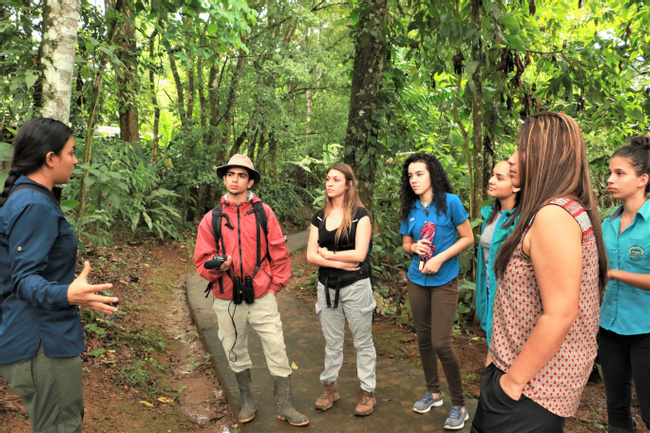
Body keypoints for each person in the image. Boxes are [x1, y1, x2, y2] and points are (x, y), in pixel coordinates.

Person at [471, 112, 608, 433]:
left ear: (548, 157)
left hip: (530, 389)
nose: (512, 159)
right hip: (519, 375)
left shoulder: (553, 216)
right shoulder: (560, 208)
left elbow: (561, 313)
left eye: (522, 149)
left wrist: (512, 382)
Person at [0, 118, 118, 433]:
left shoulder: (30, 198)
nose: (76, 160)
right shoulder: (34, 204)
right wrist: (68, 295)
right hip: (40, 343)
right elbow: (23, 281)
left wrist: (76, 295)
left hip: (40, 339)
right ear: (50, 159)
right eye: (71, 152)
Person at [193, 154, 308, 427]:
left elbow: (279, 252)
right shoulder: (212, 218)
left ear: (250, 180)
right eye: (231, 174)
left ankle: (285, 404)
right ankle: (247, 400)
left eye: (241, 175)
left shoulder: (263, 212)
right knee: (234, 349)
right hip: (227, 297)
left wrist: (274, 287)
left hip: (261, 295)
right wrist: (217, 267)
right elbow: (201, 259)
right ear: (224, 178)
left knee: (276, 347)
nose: (235, 179)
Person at [399, 152, 474, 430]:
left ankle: (459, 405)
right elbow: (406, 244)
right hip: (417, 280)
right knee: (423, 339)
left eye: (419, 174)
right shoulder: (411, 207)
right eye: (410, 176)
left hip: (445, 280)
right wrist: (414, 247)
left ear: (432, 175)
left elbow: (468, 237)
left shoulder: (451, 203)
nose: (414, 180)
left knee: (442, 342)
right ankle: (433, 393)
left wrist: (440, 258)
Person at [306, 163, 377, 416]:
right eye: (327, 179)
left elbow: (360, 254)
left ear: (348, 184)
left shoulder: (360, 215)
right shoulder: (319, 215)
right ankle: (330, 388)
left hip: (356, 287)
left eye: (336, 179)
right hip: (326, 287)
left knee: (362, 341)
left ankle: (368, 391)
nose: (329, 183)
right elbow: (311, 256)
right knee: (332, 341)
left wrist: (328, 254)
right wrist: (340, 263)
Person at [599, 135, 650, 433]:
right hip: (610, 328)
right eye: (610, 172)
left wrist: (614, 274)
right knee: (616, 407)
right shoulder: (607, 223)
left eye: (619, 173)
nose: (610, 179)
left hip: (645, 330)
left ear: (642, 179)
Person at [475, 159, 520, 346]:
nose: (491, 180)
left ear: (515, 186)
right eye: (492, 175)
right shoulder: (491, 214)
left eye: (499, 178)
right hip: (488, 292)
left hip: (510, 302)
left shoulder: (521, 221)